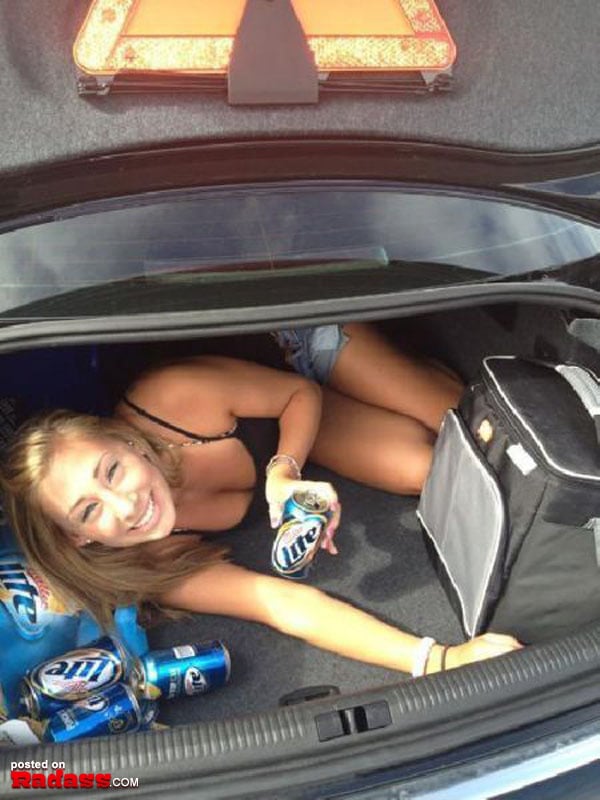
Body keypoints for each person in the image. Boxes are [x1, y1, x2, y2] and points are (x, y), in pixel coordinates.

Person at [0, 322, 521, 677]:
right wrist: (440, 660)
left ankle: (420, 364)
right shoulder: (147, 560)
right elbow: (280, 605)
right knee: (430, 471)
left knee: (475, 428)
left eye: (112, 471)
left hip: (294, 358)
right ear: (78, 537)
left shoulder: (170, 398)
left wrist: (284, 471)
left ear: (128, 442)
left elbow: (299, 392)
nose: (125, 506)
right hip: (300, 433)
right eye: (89, 510)